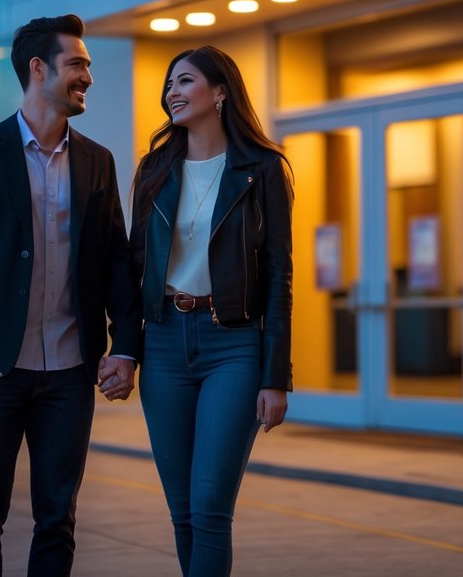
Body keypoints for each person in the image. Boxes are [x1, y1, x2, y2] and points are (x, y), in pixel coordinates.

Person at [0, 14, 142, 577]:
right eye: (78, 64)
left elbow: (116, 258)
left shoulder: (98, 161)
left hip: (70, 371)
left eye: (88, 66)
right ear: (38, 69)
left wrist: (125, 346)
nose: (88, 76)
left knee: (57, 518)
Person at [130, 46, 293, 577]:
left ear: (220, 91)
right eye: (168, 84)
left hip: (234, 346)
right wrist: (124, 349)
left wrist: (275, 377)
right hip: (163, 344)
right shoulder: (154, 169)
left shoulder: (261, 169)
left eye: (184, 81)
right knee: (182, 513)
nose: (171, 92)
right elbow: (134, 267)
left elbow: (277, 277)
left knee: (209, 510)